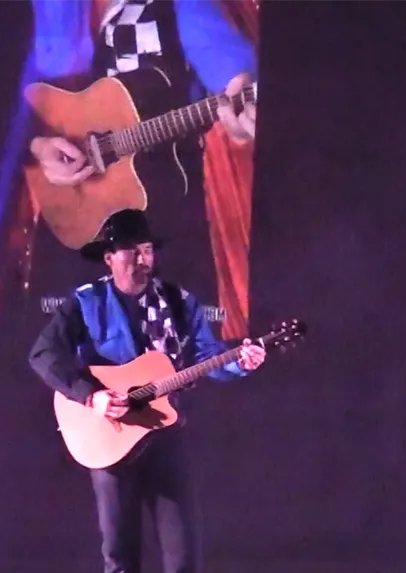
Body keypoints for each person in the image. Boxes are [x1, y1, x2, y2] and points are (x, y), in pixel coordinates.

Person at [28, 209, 267, 573]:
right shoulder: (86, 301)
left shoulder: (179, 302)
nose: (142, 260)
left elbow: (208, 357)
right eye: (130, 251)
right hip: (111, 439)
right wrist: (92, 395)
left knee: (184, 556)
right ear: (109, 258)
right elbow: (44, 354)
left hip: (165, 435)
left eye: (147, 250)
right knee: (121, 558)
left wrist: (241, 361)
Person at [28, 0, 258, 188]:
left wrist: (243, 102)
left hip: (163, 218)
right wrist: (36, 146)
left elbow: (233, 73)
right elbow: (12, 109)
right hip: (68, 220)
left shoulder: (181, 6)